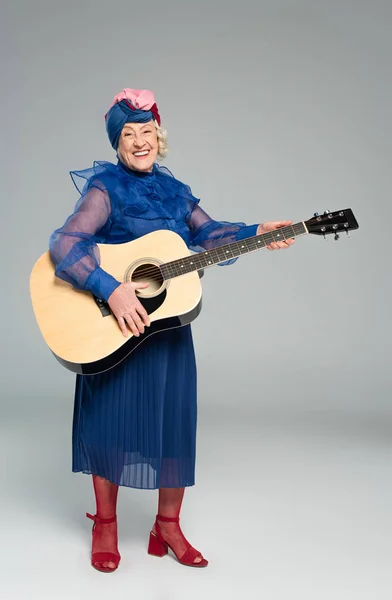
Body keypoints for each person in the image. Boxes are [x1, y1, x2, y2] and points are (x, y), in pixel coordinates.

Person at [49, 87, 294, 573]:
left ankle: (168, 525)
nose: (139, 141)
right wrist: (110, 288)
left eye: (146, 132)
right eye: (128, 134)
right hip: (117, 330)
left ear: (158, 138)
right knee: (109, 423)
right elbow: (65, 244)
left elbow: (208, 234)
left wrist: (258, 231)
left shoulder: (174, 191)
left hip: (169, 329)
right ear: (116, 143)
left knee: (174, 422)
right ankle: (105, 524)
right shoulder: (105, 189)